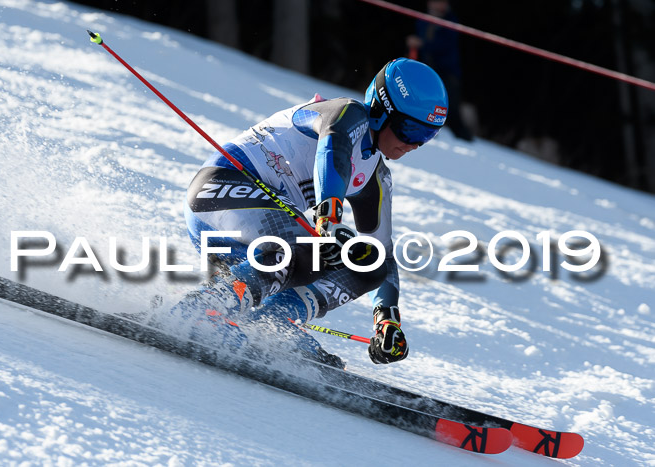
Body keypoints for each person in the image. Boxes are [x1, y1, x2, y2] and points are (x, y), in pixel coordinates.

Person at [161, 58, 448, 368]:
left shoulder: (376, 177)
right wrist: (328, 217)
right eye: (410, 130)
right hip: (219, 192)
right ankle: (205, 308)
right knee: (312, 252)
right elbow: (333, 150)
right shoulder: (347, 115)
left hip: (253, 239)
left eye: (427, 136)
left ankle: (272, 325)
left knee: (368, 263)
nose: (414, 144)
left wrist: (386, 319)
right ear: (381, 110)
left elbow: (383, 255)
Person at [407, 0, 473, 141]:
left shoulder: (451, 22)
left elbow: (443, 46)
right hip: (428, 71)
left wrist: (422, 44)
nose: (435, 5)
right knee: (422, 102)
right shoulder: (423, 19)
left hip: (447, 73)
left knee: (451, 109)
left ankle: (465, 138)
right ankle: (423, 130)